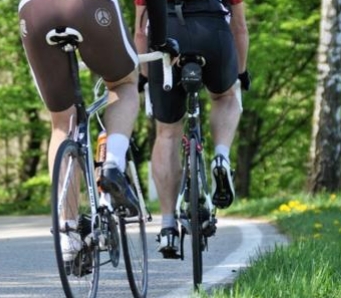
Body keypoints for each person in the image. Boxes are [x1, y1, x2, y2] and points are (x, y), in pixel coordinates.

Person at [18, 0, 178, 262]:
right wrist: (160, 40)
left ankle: (67, 236)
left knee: (62, 123)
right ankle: (113, 164)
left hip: (34, 12)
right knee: (124, 84)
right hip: (90, 7)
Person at [134, 0, 251, 258]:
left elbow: (140, 30)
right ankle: (220, 156)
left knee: (167, 131)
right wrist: (240, 73)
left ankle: (167, 227)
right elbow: (240, 26)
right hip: (214, 32)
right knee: (226, 98)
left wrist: (144, 75)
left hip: (165, 36)